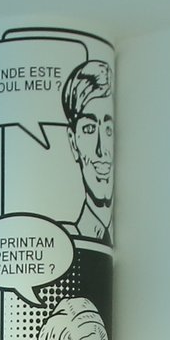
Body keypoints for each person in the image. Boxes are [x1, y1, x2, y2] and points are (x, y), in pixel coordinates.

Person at [61, 59, 113, 243]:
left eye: (108, 130)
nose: (102, 150)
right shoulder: (65, 239)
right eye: (90, 129)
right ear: (73, 141)